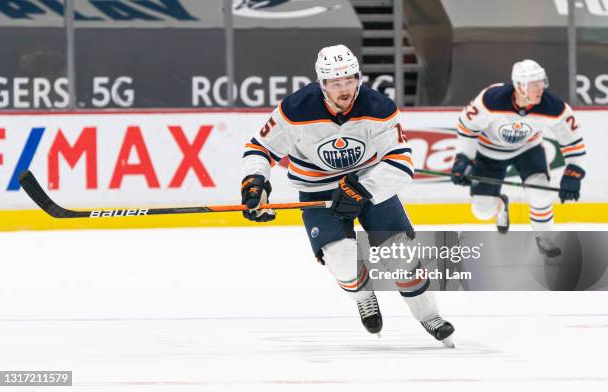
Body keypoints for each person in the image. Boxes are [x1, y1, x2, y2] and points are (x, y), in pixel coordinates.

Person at [240, 44, 454, 346]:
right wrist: (255, 181)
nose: (345, 89)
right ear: (322, 84)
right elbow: (259, 148)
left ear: (358, 78)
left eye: (350, 80)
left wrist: (360, 188)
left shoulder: (379, 108)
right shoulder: (295, 109)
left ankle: (430, 316)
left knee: (401, 257)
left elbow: (401, 164)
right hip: (317, 189)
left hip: (367, 184)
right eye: (336, 83)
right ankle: (364, 295)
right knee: (341, 259)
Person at [451, 59, 586, 257]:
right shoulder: (491, 99)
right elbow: (467, 127)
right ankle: (500, 204)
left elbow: (573, 141)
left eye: (542, 82)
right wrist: (463, 159)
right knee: (482, 211)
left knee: (541, 193)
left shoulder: (554, 107)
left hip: (528, 150)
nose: (541, 88)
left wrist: (574, 173)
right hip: (489, 152)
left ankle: (544, 237)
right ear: (519, 85)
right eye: (534, 84)